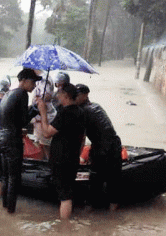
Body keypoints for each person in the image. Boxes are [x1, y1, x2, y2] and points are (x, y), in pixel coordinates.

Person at [37, 84, 85, 220]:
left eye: (59, 93)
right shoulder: (80, 112)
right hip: (73, 157)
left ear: (66, 96)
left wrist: (43, 112)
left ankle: (64, 229)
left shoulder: (66, 113)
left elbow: (46, 133)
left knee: (65, 195)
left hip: (61, 159)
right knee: (68, 191)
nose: (56, 95)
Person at [0, 68, 42, 213]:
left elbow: (11, 117)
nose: (34, 86)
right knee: (14, 178)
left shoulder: (9, 93)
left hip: (1, 137)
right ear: (25, 81)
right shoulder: (22, 94)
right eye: (33, 82)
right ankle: (11, 212)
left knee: (5, 176)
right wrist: (35, 110)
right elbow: (23, 121)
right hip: (12, 140)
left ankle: (5, 207)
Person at [75, 84, 122, 211]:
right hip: (115, 144)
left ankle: (90, 210)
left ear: (85, 96)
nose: (75, 98)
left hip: (102, 148)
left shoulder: (82, 111)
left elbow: (81, 137)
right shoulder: (97, 106)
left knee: (95, 180)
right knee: (114, 180)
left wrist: (78, 156)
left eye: (77, 95)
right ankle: (112, 214)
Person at [31, 70, 57, 160]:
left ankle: (49, 168)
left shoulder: (44, 79)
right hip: (40, 117)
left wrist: (39, 99)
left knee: (46, 146)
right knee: (41, 145)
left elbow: (46, 97)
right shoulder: (39, 79)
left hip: (45, 116)